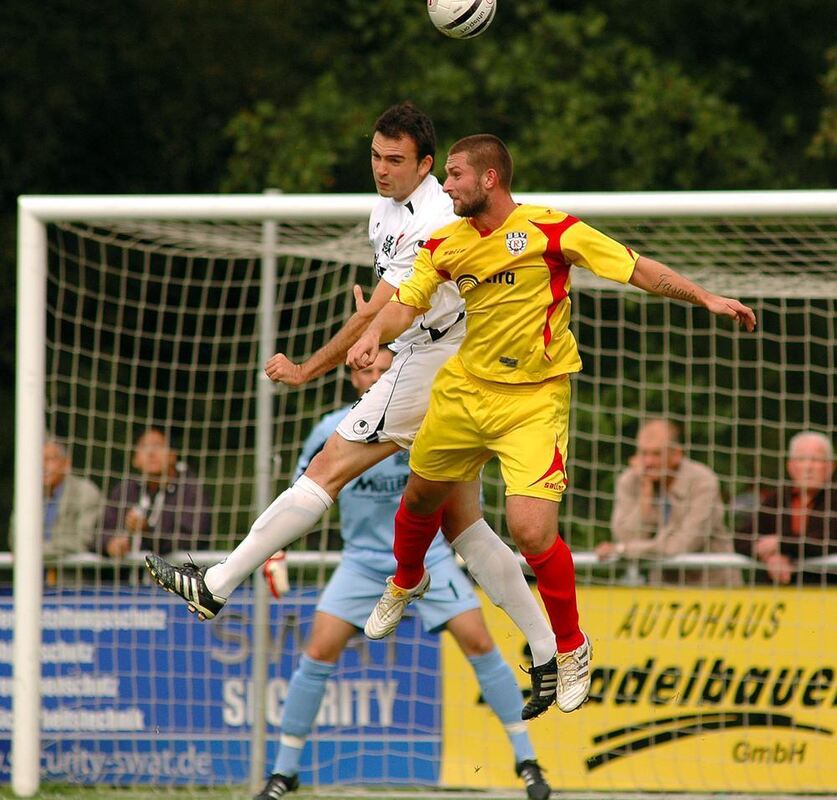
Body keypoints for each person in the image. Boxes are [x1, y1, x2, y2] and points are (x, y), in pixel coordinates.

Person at [146, 103, 559, 719]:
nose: (382, 169)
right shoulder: (383, 210)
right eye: (375, 156)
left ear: (426, 164)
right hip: (447, 357)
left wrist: (309, 367)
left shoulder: (436, 214)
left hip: (441, 358)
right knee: (462, 524)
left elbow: (381, 311)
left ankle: (216, 585)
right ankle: (550, 653)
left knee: (327, 467)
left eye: (396, 160)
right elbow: (388, 303)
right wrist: (380, 320)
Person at [346, 134, 756, 718]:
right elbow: (405, 304)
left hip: (533, 402)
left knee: (531, 532)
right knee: (418, 499)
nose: (448, 186)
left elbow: (636, 269)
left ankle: (571, 647)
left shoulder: (551, 229)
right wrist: (370, 333)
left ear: (489, 179)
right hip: (465, 392)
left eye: (456, 175)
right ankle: (405, 581)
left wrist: (705, 297)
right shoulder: (444, 242)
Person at [255, 351, 550, 800]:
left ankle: (527, 760)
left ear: (396, 370)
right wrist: (275, 551)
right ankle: (285, 771)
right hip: (362, 562)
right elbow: (298, 497)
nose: (372, 376)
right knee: (317, 650)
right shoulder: (332, 433)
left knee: (479, 641)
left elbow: (464, 498)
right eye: (363, 370)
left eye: (380, 369)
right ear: (354, 379)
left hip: (429, 557)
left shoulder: (429, 422)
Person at [596, 419, 741, 586]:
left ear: (676, 455)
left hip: (713, 587)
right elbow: (625, 536)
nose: (648, 462)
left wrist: (623, 550)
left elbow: (683, 544)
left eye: (657, 454)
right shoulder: (630, 481)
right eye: (643, 453)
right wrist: (645, 494)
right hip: (663, 589)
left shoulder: (703, 481)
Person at [735, 431, 836, 585]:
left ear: (830, 466)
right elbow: (741, 538)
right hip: (780, 596)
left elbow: (827, 542)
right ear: (790, 466)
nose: (808, 467)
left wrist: (781, 544)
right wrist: (769, 556)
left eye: (816, 460)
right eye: (801, 459)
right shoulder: (778, 498)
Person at [100, 427, 212, 558]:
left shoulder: (191, 491)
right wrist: (109, 544)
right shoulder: (125, 491)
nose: (151, 452)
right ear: (135, 459)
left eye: (158, 445)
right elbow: (97, 534)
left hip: (176, 576)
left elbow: (192, 541)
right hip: (125, 577)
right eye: (144, 446)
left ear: (172, 455)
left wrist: (148, 531)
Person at [9, 439, 104, 581]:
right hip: (30, 584)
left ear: (66, 464)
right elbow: (14, 539)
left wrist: (37, 549)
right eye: (38, 460)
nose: (43, 466)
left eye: (49, 460)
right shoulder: (28, 494)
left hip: (75, 587)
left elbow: (83, 540)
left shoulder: (85, 492)